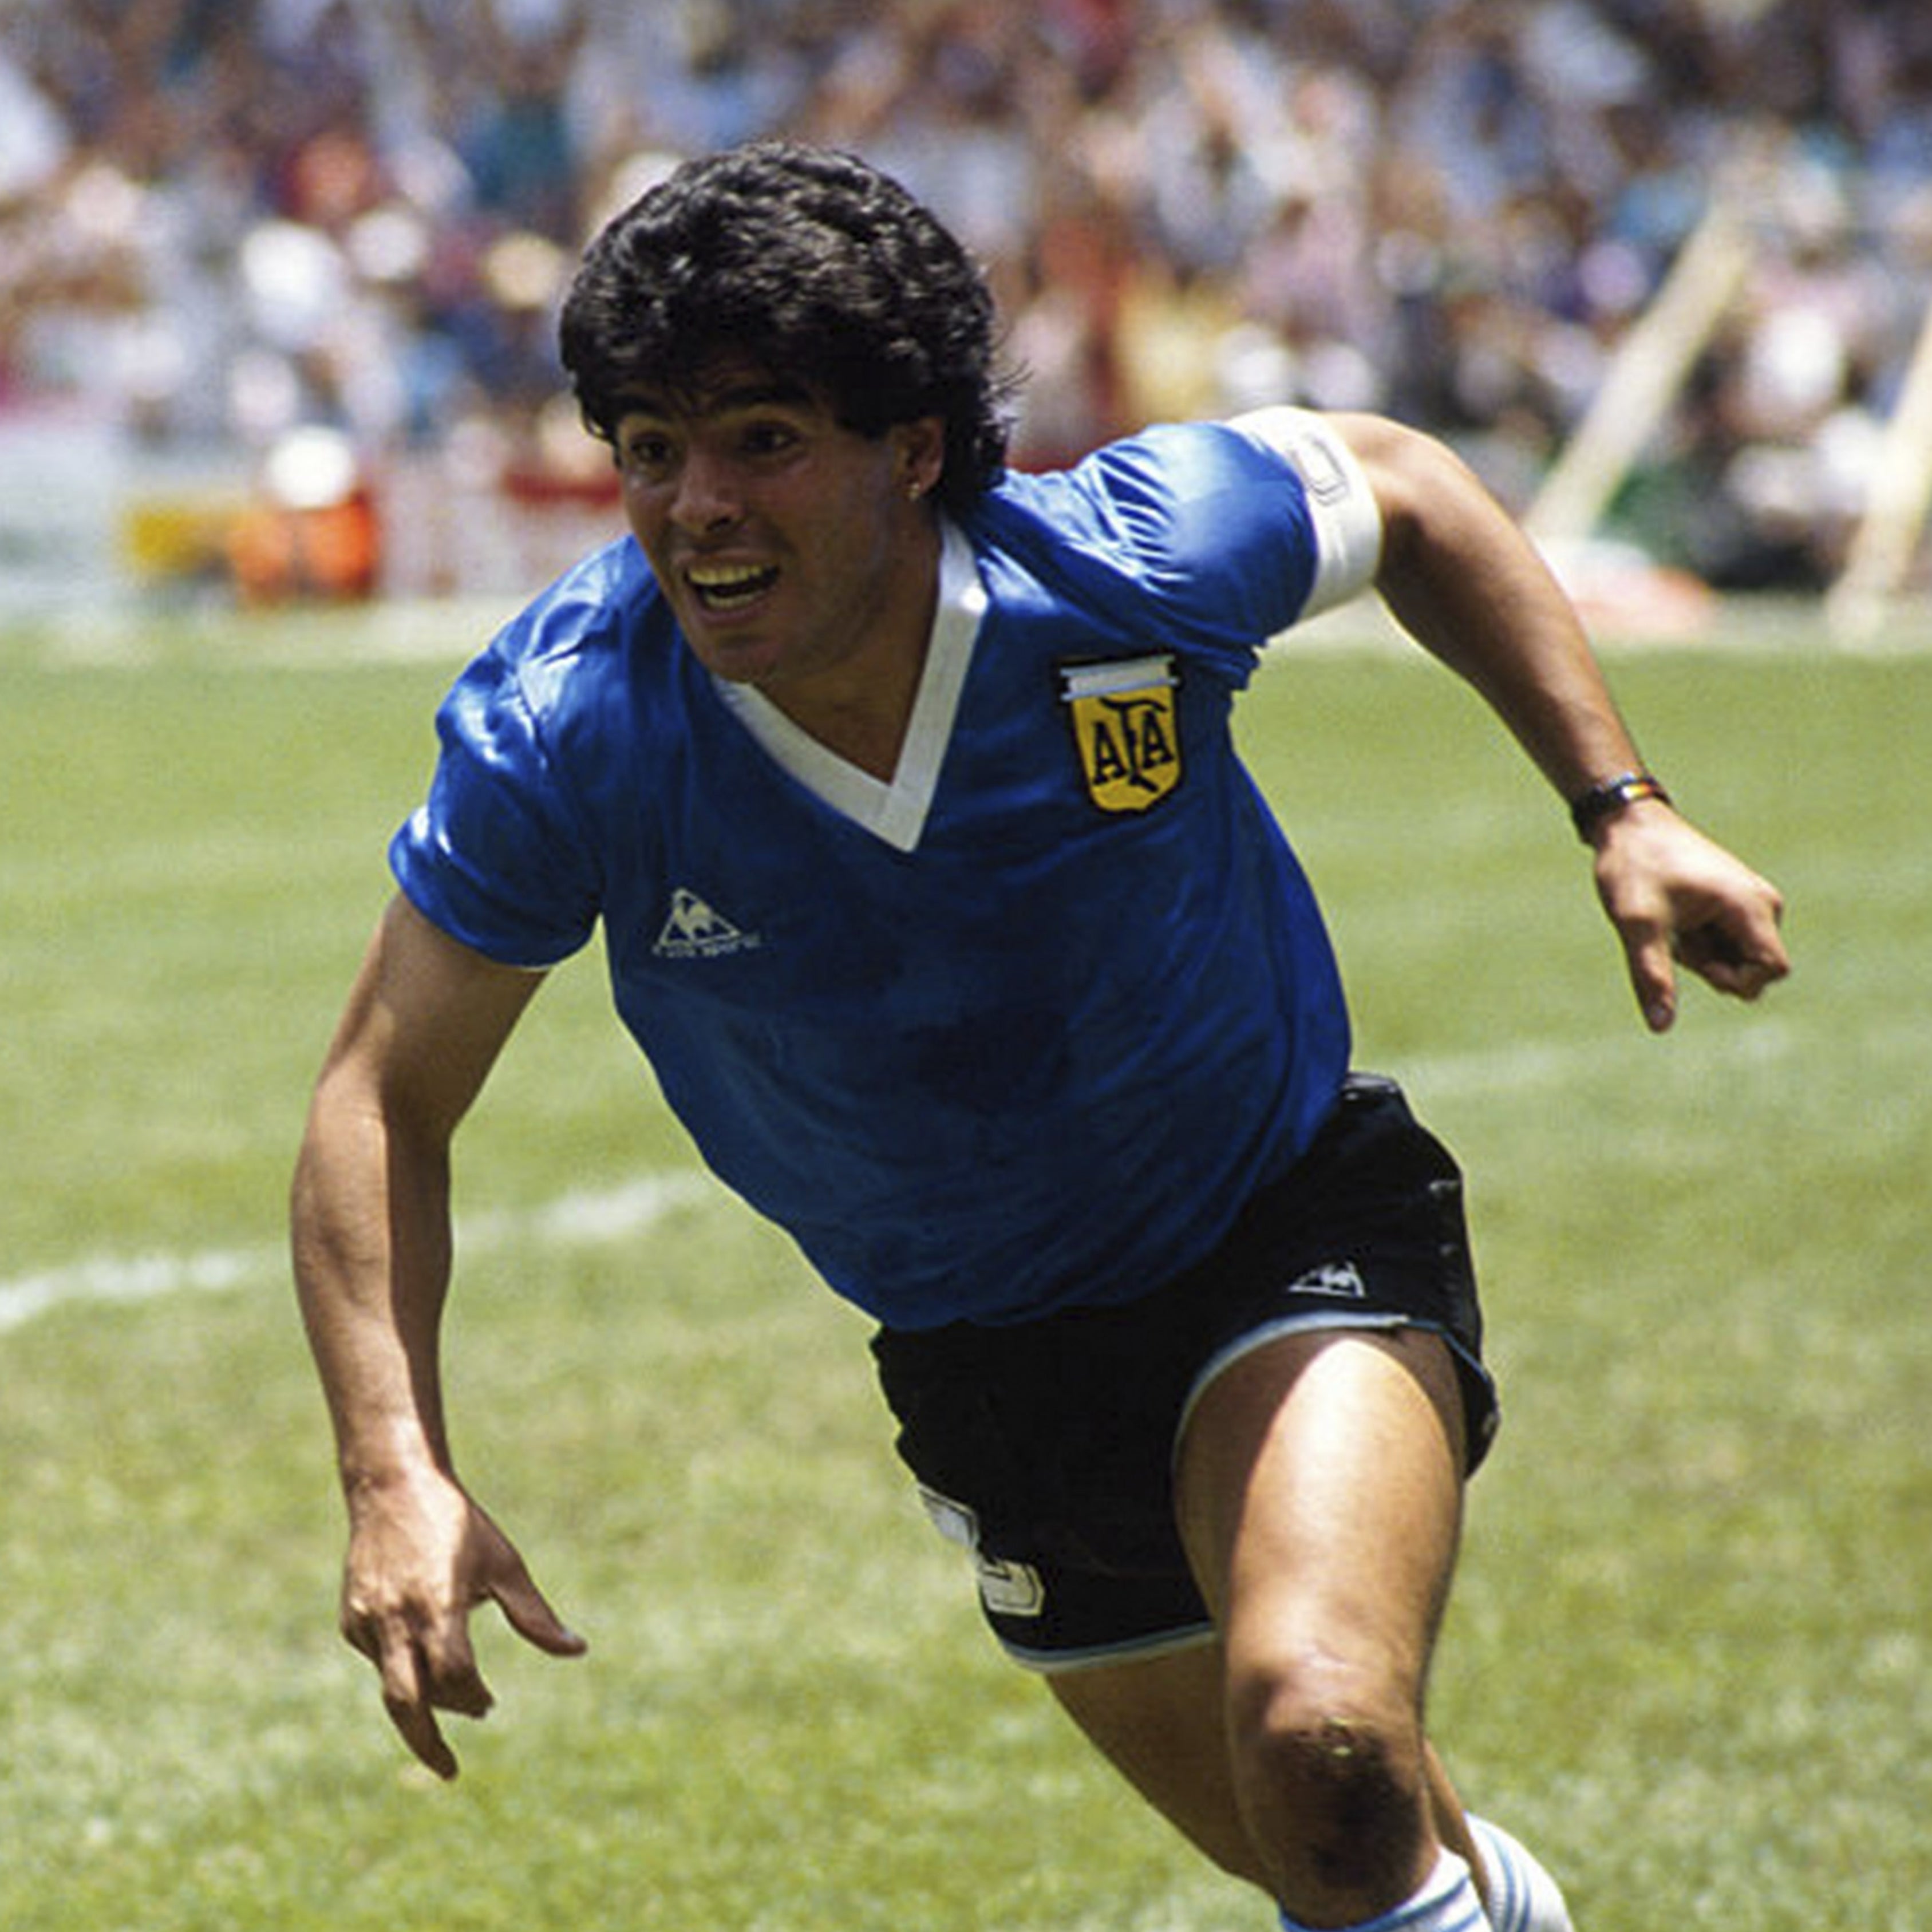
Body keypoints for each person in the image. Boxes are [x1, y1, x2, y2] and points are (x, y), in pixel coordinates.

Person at [292, 140, 1788, 1932]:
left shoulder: (1126, 564)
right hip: (983, 1354)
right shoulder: (570, 733)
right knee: (1337, 1842)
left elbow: (1406, 486)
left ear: (915, 447)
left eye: (763, 439)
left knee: (1319, 1734)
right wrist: (398, 1473)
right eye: (651, 450)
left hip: (1281, 1222)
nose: (698, 506)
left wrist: (1621, 806)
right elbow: (381, 1099)